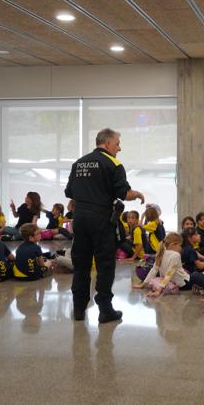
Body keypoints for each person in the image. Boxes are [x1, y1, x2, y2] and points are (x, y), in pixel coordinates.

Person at [65, 127, 144, 324]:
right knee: (105, 265)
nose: (119, 148)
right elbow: (124, 194)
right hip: (102, 221)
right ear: (107, 143)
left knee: (81, 265)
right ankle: (105, 310)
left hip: (80, 220)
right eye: (117, 144)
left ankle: (79, 309)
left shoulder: (79, 163)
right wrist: (138, 194)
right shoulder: (113, 164)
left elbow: (69, 192)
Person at [133, 233, 190, 297]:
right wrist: (159, 290)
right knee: (195, 275)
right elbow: (169, 273)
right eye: (180, 245)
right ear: (174, 244)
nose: (180, 248)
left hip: (172, 281)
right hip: (183, 283)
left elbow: (153, 270)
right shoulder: (176, 255)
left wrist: (143, 284)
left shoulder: (161, 253)